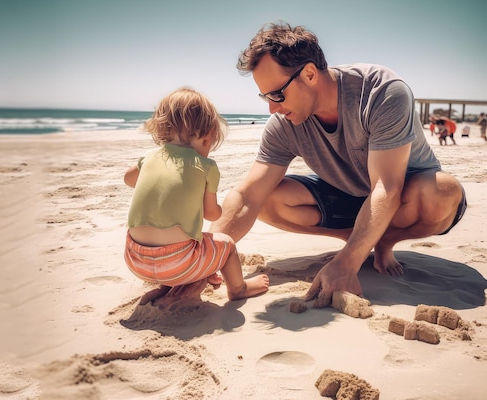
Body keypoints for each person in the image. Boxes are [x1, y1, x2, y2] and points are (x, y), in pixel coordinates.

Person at [210, 22, 467, 307]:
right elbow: (248, 196)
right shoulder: (284, 123)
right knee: (266, 198)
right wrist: (204, 260)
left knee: (443, 192)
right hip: (350, 196)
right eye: (264, 97)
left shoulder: (381, 92)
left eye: (276, 94)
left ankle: (381, 240)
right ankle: (360, 238)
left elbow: (387, 188)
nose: (272, 108)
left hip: (404, 194)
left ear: (309, 74)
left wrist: (347, 263)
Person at [124, 87, 269, 305]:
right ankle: (239, 289)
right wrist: (218, 209)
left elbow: (128, 179)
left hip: (136, 261)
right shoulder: (206, 166)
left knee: (186, 237)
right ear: (207, 137)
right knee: (226, 244)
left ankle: (172, 283)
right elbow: (212, 215)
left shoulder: (149, 156)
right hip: (178, 264)